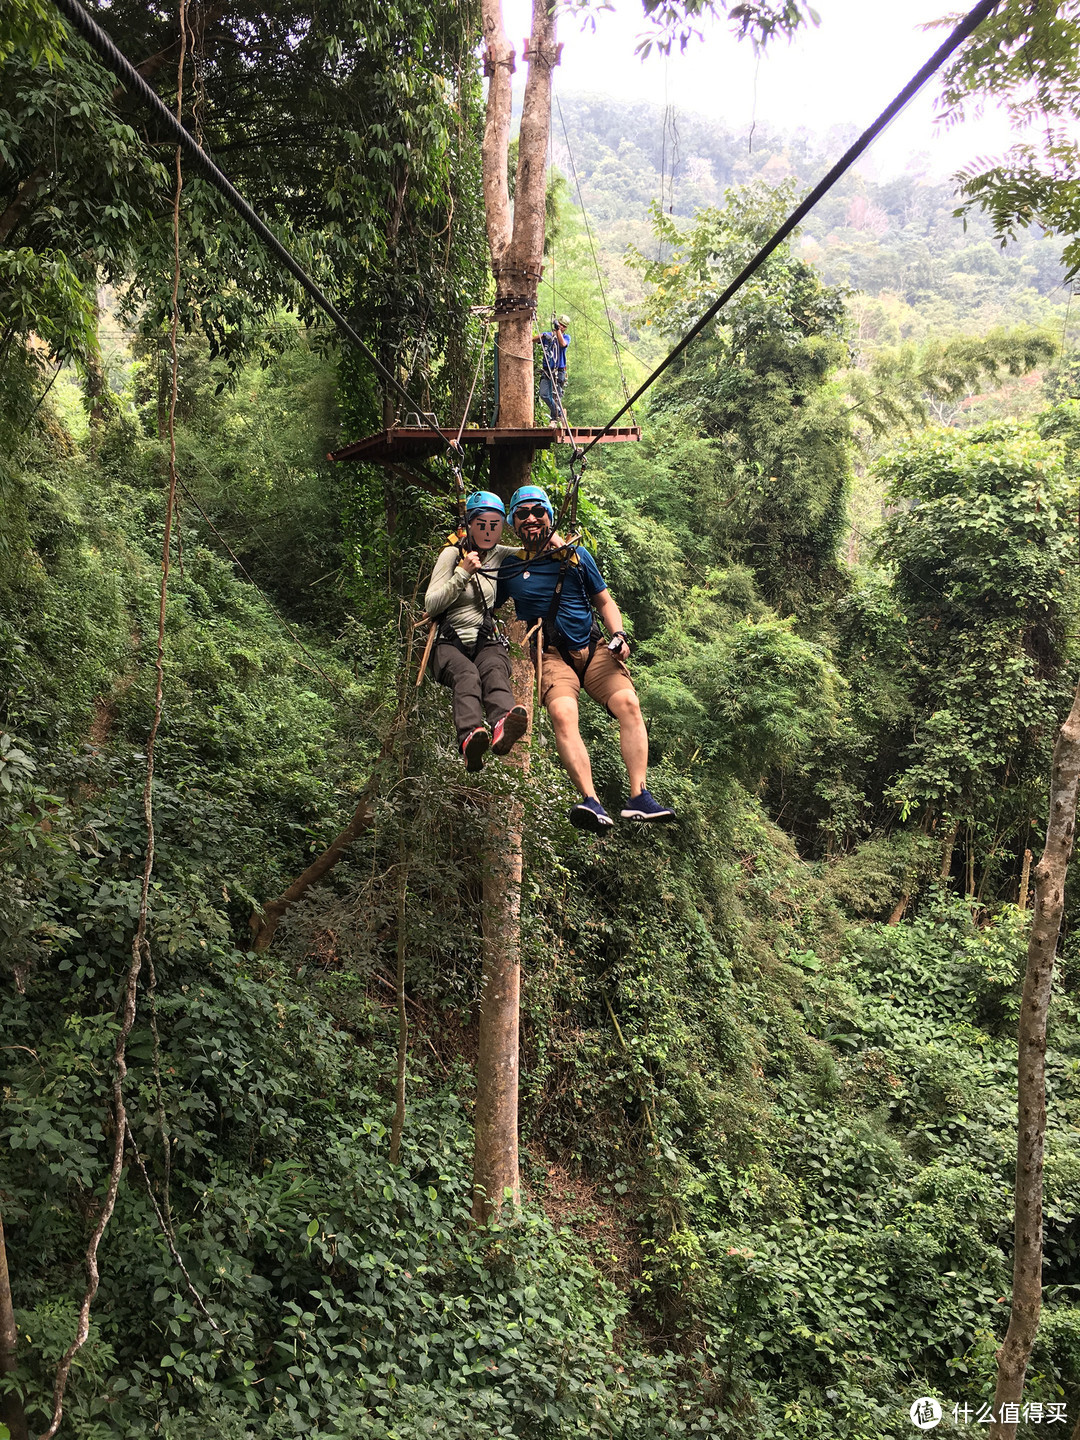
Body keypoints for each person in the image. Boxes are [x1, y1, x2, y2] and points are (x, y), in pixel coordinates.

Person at [497, 484, 676, 832]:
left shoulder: (577, 556)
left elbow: (604, 601)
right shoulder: (509, 567)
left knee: (629, 704)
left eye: (538, 512)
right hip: (550, 655)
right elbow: (484, 597)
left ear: (551, 516)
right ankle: (590, 800)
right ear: (512, 523)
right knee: (563, 714)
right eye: (523, 514)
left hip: (593, 648)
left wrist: (619, 635)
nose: (531, 519)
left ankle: (638, 796)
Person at [424, 492, 528, 772]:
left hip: (485, 639)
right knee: (467, 675)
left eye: (495, 525)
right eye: (481, 524)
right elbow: (431, 603)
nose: (488, 530)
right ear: (469, 524)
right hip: (449, 642)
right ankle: (470, 737)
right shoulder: (451, 553)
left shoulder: (499, 554)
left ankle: (503, 724)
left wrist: (557, 544)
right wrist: (462, 573)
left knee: (494, 668)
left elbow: (532, 554)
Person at [533, 314, 571, 426]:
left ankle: (553, 420)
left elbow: (562, 344)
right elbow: (533, 339)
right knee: (544, 394)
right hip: (547, 370)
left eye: (564, 326)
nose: (562, 327)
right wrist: (544, 336)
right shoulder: (549, 336)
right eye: (561, 325)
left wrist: (558, 330)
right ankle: (560, 413)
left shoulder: (566, 337)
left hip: (559, 370)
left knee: (556, 395)